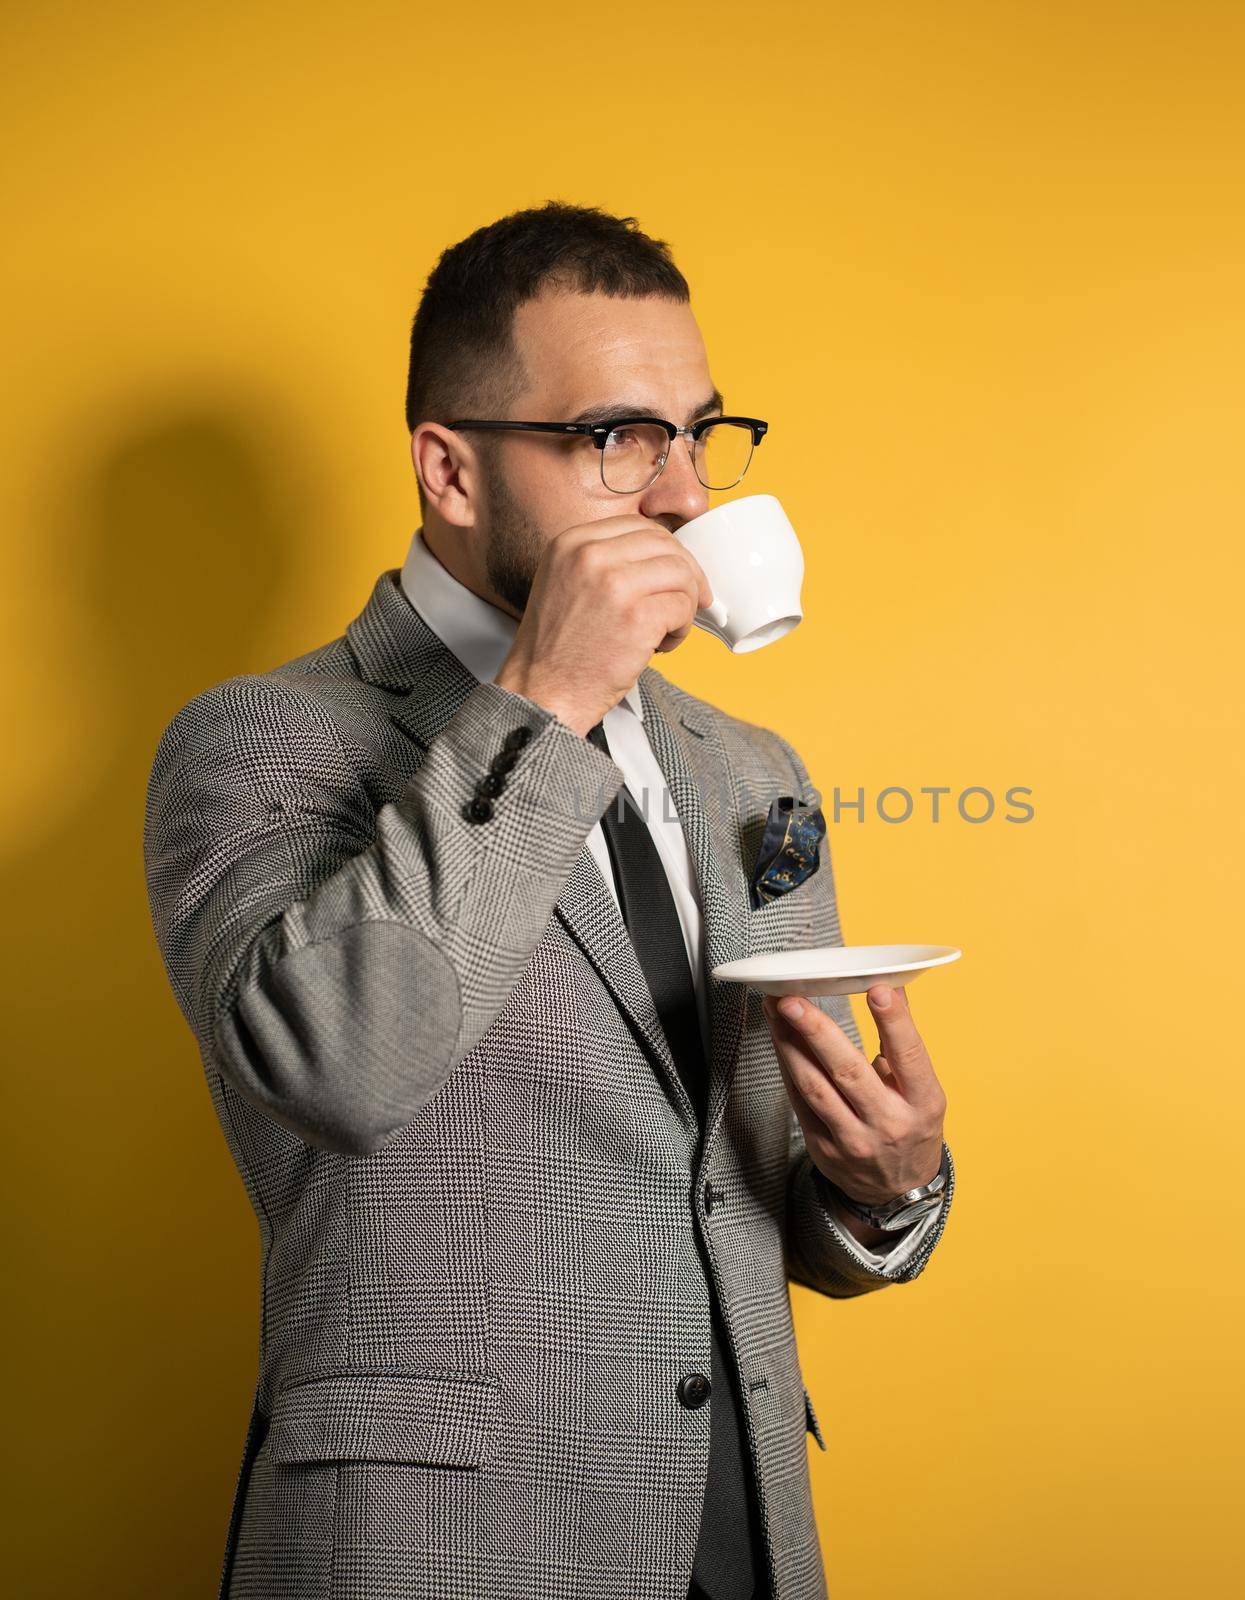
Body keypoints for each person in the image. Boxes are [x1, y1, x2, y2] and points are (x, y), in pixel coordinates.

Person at [143, 201, 955, 1600]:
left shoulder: (751, 767)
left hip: (741, 1536)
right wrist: (550, 694)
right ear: (450, 472)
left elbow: (733, 1189)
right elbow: (339, 1066)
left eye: (700, 433)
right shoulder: (260, 739)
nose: (687, 495)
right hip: (434, 1552)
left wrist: (887, 1192)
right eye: (616, 437)